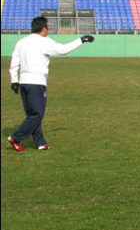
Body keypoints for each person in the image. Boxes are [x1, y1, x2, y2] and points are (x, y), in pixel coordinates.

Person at [8, 16, 95, 152]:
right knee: (37, 115)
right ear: (43, 28)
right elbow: (63, 50)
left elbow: (14, 62)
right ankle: (16, 138)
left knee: (32, 115)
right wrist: (81, 40)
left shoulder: (21, 42)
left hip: (24, 83)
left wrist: (14, 80)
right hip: (36, 83)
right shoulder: (44, 42)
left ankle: (40, 142)